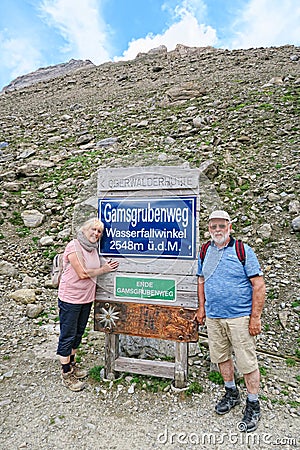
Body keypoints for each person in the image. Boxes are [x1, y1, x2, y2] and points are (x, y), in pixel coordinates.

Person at [195, 210, 265, 432]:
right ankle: (231, 392)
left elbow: (259, 285)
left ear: (229, 227)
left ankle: (253, 404)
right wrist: (201, 307)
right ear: (208, 229)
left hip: (240, 317)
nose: (217, 230)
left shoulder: (242, 250)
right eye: (213, 226)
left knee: (246, 361)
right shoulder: (205, 250)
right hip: (214, 316)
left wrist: (255, 317)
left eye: (221, 226)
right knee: (221, 357)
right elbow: (201, 281)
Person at [57, 218, 119, 391]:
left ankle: (72, 364)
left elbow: (99, 263)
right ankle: (66, 373)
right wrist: (104, 270)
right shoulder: (74, 246)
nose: (96, 234)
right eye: (93, 229)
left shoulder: (93, 250)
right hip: (70, 298)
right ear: (84, 230)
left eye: (99, 232)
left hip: (86, 298)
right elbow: (83, 273)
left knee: (78, 334)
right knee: (68, 334)